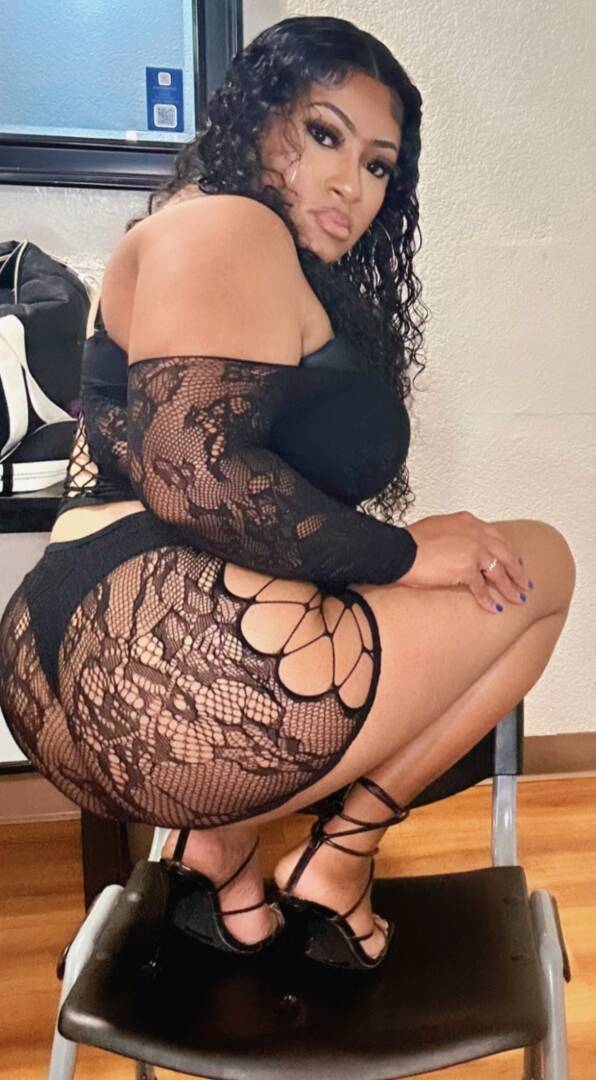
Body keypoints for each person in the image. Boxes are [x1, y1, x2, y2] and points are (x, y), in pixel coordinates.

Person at [0, 16, 575, 971]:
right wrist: (407, 551)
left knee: (450, 575)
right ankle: (337, 864)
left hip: (63, 669)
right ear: (256, 118)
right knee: (540, 565)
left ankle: (224, 869)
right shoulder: (229, 223)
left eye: (379, 164)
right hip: (169, 665)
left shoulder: (189, 233)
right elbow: (195, 476)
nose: (352, 184)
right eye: (323, 133)